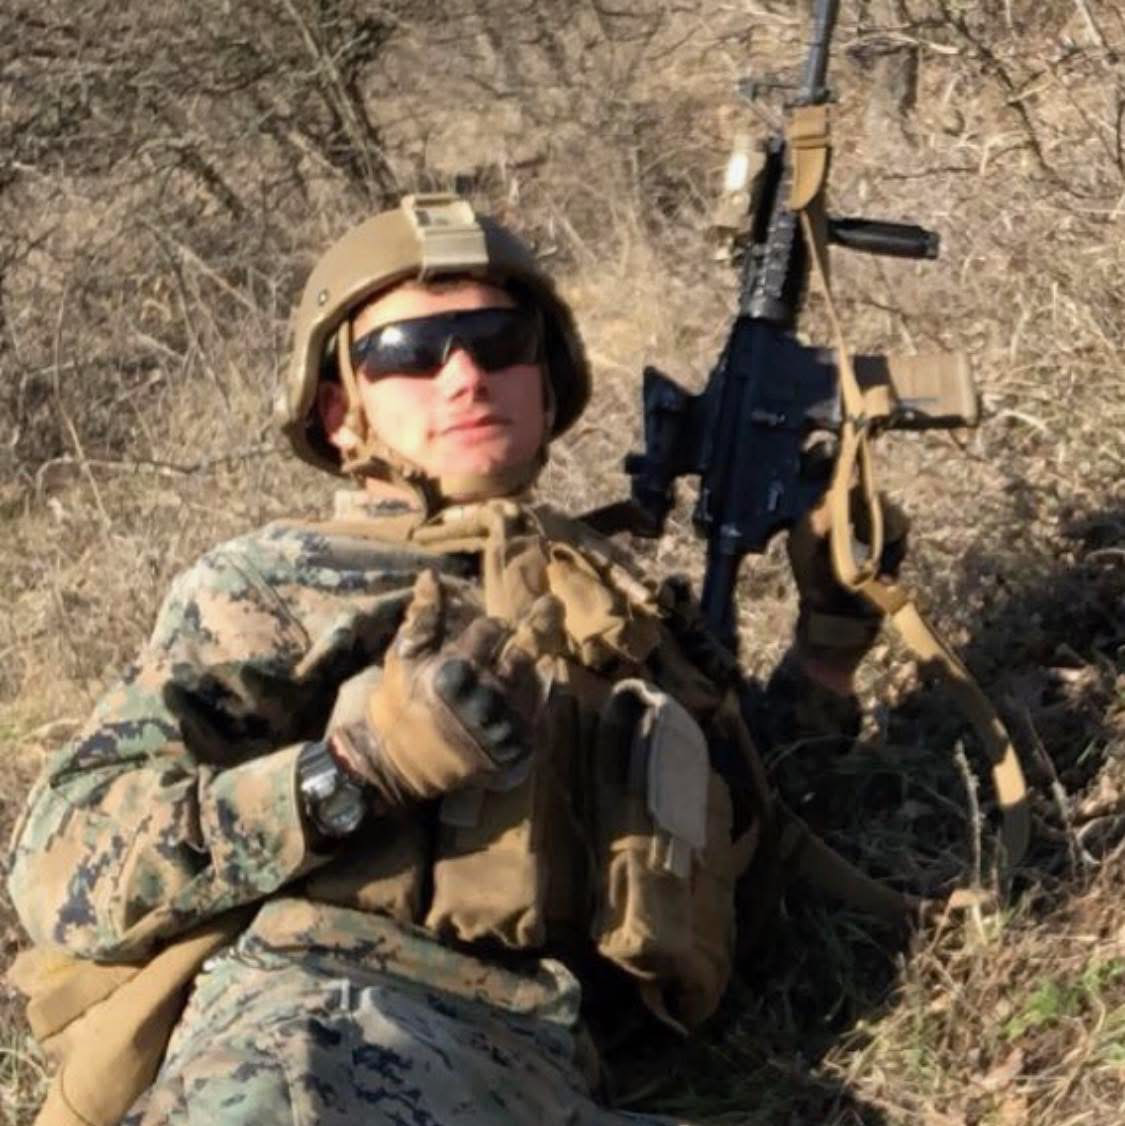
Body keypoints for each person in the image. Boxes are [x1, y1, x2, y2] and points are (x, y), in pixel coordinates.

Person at [7, 193, 898, 1126]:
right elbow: (61, 861)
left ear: (546, 384)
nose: (465, 375)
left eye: (499, 341)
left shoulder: (612, 599)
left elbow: (753, 827)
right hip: (335, 1019)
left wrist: (830, 641)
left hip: (563, 1069)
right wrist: (357, 771)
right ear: (339, 411)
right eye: (410, 353)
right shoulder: (273, 584)